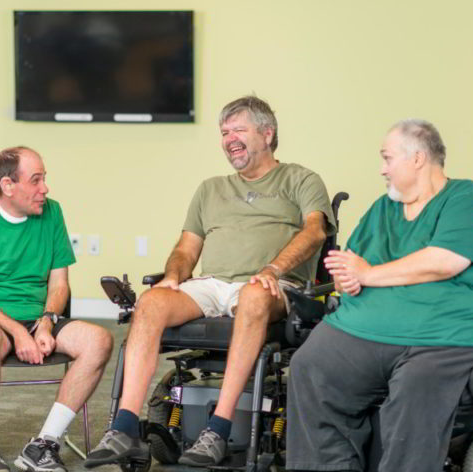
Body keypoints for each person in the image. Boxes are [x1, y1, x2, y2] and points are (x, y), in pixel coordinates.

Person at [85, 95, 336, 468]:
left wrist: (273, 270)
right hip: (212, 285)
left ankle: (217, 430)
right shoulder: (210, 188)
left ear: (267, 134)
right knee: (151, 301)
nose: (229, 138)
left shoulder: (300, 178)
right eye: (223, 132)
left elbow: (315, 232)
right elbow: (186, 248)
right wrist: (172, 277)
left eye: (238, 129)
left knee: (252, 295)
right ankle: (124, 429)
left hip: (270, 287)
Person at [286, 120, 473, 472]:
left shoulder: (465, 197)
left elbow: (444, 261)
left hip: (443, 338)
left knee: (418, 384)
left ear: (418, 158)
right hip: (366, 331)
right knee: (310, 366)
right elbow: (350, 266)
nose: (382, 168)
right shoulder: (381, 209)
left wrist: (369, 274)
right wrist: (348, 279)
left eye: (388, 158)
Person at [0, 146, 114, 472]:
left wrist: (45, 324)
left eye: (45, 179)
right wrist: (16, 331)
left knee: (100, 340)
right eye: (36, 180)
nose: (45, 189)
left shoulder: (52, 212)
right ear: (8, 186)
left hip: (40, 317)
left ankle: (44, 445)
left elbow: (58, 285)